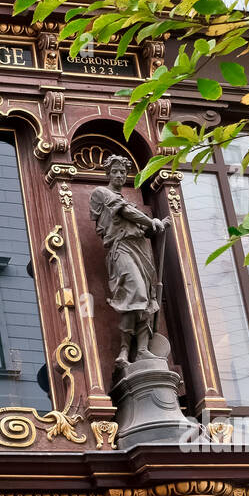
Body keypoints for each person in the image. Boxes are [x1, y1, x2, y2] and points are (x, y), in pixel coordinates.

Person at [89, 154, 169, 371]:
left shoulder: (128, 202)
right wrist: (152, 221)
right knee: (136, 293)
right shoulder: (102, 194)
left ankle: (140, 349)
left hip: (140, 250)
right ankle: (124, 349)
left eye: (123, 172)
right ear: (108, 173)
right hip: (121, 249)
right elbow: (126, 212)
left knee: (145, 299)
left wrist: (154, 226)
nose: (119, 175)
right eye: (114, 171)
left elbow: (137, 223)